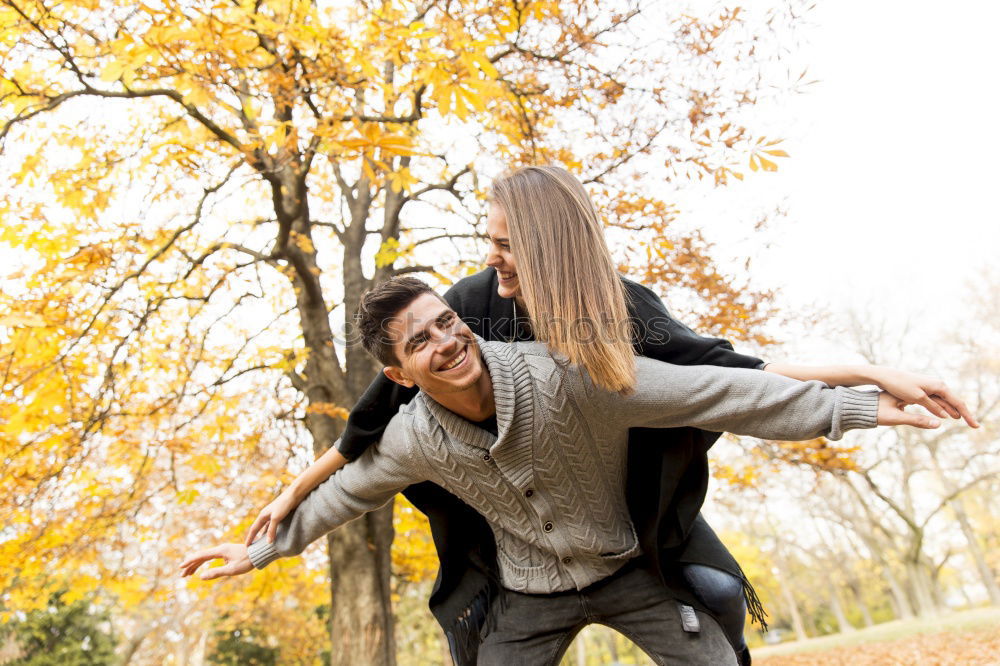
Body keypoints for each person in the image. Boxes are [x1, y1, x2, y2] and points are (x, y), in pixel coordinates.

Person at [237, 166, 977, 664]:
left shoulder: (624, 320)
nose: (490, 258)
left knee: (715, 595)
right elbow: (371, 433)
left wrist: (871, 383)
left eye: (503, 245)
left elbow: (727, 380)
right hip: (517, 533)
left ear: (543, 246)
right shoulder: (465, 308)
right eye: (489, 242)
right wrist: (288, 498)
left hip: (623, 511)